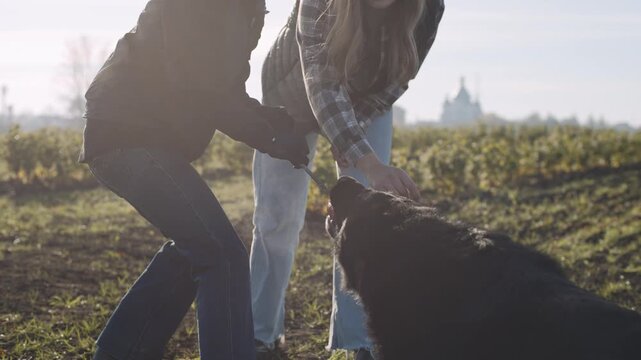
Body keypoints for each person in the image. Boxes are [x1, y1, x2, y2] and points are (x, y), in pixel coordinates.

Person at [80, 0, 310, 359]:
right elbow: (200, 88)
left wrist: (274, 122)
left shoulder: (248, 11)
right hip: (126, 136)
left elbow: (227, 89)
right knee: (221, 254)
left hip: (147, 141)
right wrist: (269, 137)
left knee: (197, 247)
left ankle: (120, 350)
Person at [251, 0, 444, 358]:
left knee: (368, 220)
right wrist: (359, 151)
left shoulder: (428, 6)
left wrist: (353, 134)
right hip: (290, 95)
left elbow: (403, 74)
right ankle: (260, 335)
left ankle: (360, 341)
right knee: (277, 220)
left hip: (368, 99)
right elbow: (321, 83)